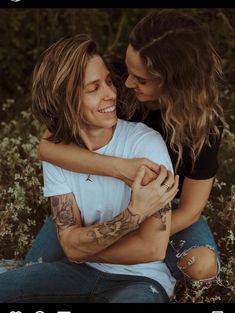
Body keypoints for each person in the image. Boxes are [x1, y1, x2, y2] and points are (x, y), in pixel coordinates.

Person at [34, 9, 225, 285]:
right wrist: (120, 169)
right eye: (127, 70)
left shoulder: (204, 127)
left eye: (142, 80)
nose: (125, 83)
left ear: (175, 82)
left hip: (162, 210)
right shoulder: (113, 84)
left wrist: (127, 232)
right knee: (35, 269)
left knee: (200, 266)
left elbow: (191, 210)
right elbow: (48, 148)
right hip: (93, 201)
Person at [0, 34, 179, 303]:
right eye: (93, 88)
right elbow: (69, 243)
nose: (110, 94)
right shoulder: (59, 154)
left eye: (108, 81)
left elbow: (151, 248)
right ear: (65, 99)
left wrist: (80, 248)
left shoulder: (146, 144)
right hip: (76, 272)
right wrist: (133, 214)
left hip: (141, 280)